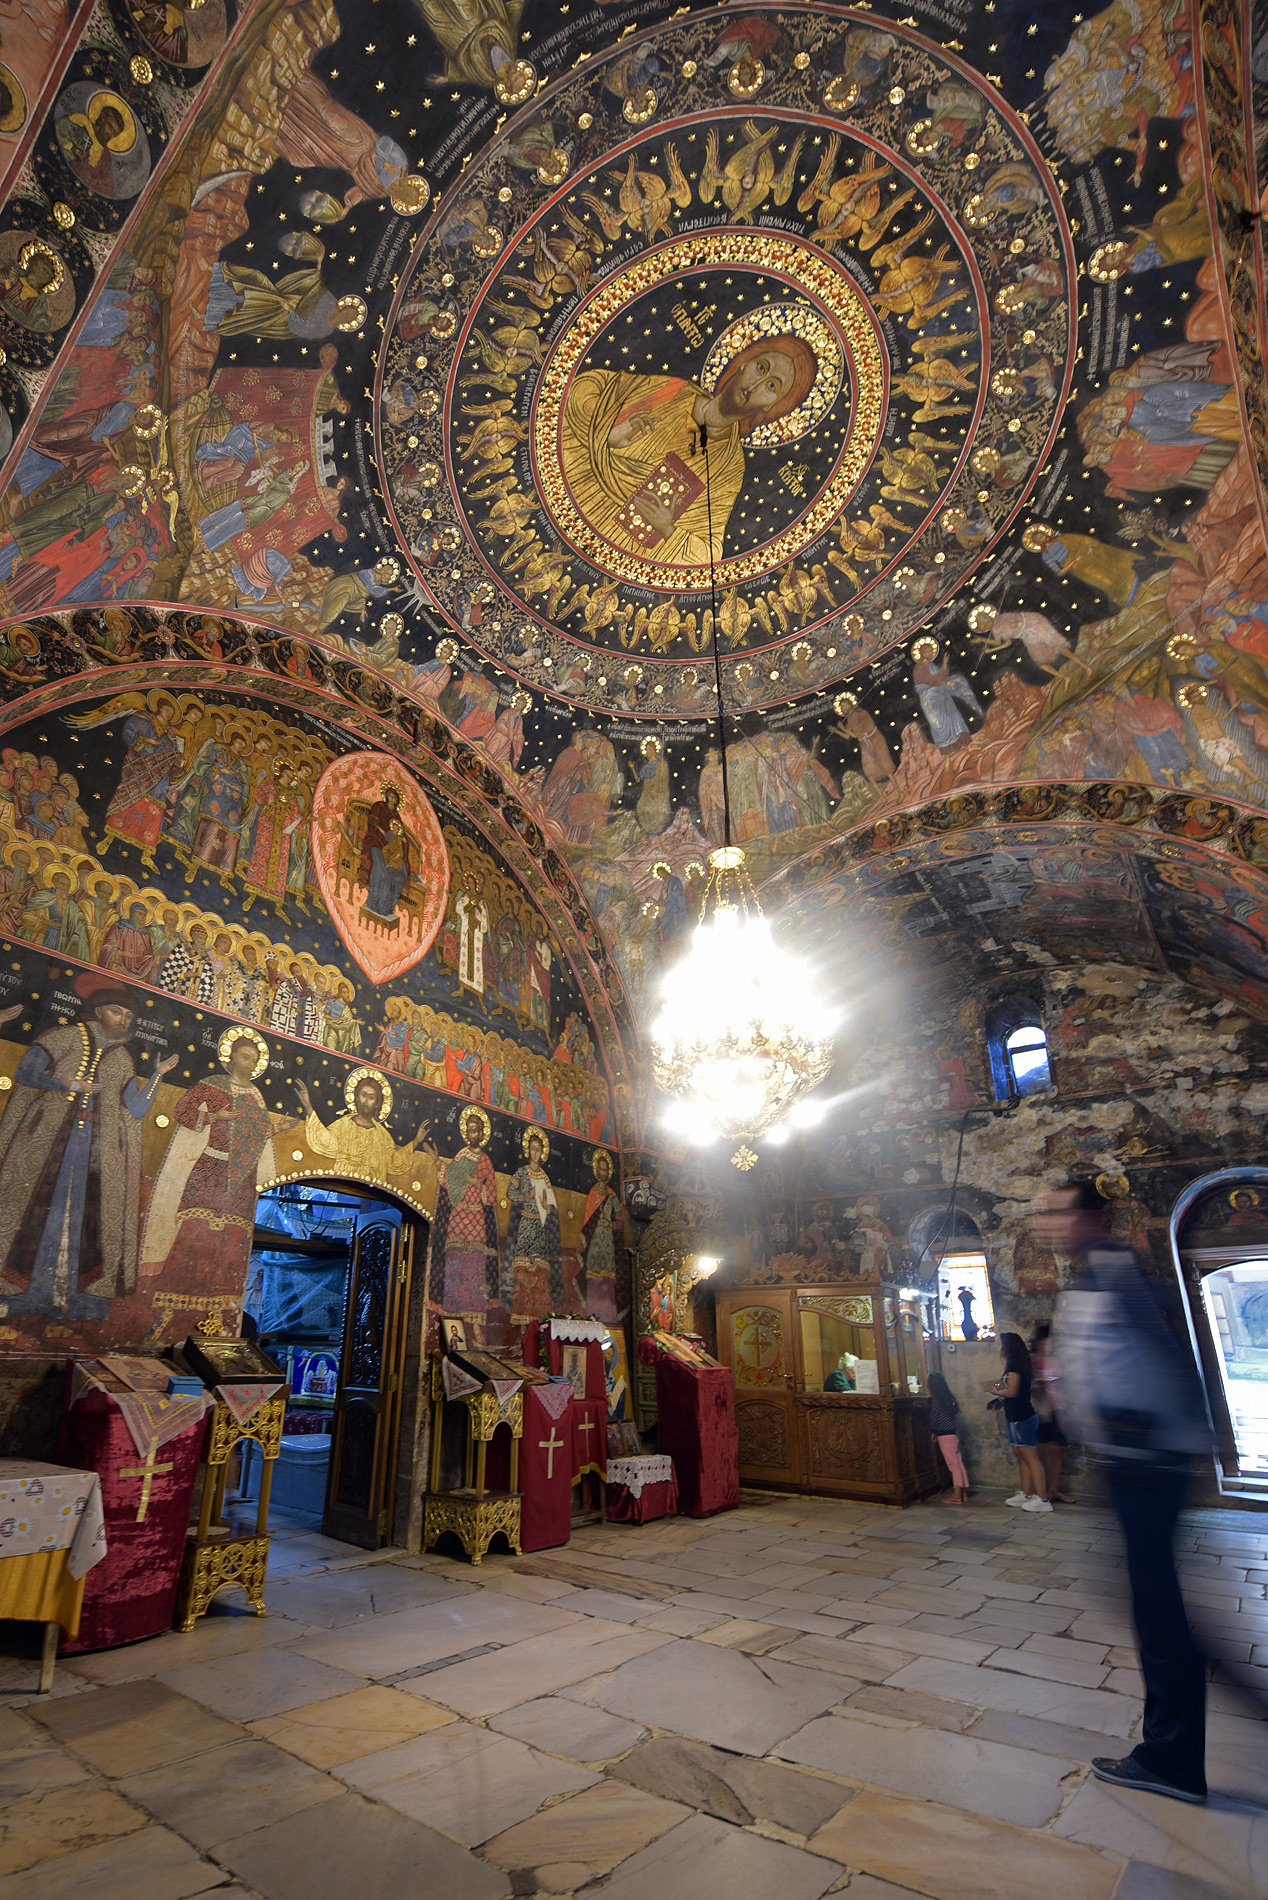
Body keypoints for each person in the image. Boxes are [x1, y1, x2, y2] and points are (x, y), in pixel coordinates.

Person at [1031, 1181, 1212, 1805]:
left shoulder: (1115, 1274)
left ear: (1091, 1216)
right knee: (1151, 1605)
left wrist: (1163, 1439)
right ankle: (1175, 1743)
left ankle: (1173, 1757)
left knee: (1159, 1613)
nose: (1047, 1222)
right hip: (1132, 1460)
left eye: (1058, 1210)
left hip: (1144, 1460)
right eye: (1043, 1212)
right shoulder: (1096, 1275)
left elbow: (1166, 1361)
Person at [985, 1331, 1050, 1512]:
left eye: (1001, 1345)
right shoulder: (1018, 1364)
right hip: (1014, 1415)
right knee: (1020, 1454)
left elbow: (1013, 1391)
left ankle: (1043, 1499)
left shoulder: (1014, 1365)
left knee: (1029, 1455)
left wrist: (996, 1391)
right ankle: (1026, 1493)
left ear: (1008, 1347)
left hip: (1022, 1416)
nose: (1000, 1348)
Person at [1030, 1320, 1073, 1504]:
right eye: (1044, 1341)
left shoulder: (1052, 1360)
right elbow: (1029, 1385)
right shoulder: (1032, 1360)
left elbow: (1060, 1380)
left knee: (1057, 1449)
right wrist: (1040, 1382)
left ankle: (1054, 1489)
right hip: (1040, 1409)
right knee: (1043, 1449)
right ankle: (1041, 1491)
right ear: (1039, 1341)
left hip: (1057, 1407)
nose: (1048, 1345)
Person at [928, 1370, 969, 1504]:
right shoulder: (949, 1398)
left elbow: (934, 1418)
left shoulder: (936, 1400)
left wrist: (933, 1431)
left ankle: (957, 1494)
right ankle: (963, 1492)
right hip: (952, 1434)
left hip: (944, 1435)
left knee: (953, 1465)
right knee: (958, 1462)